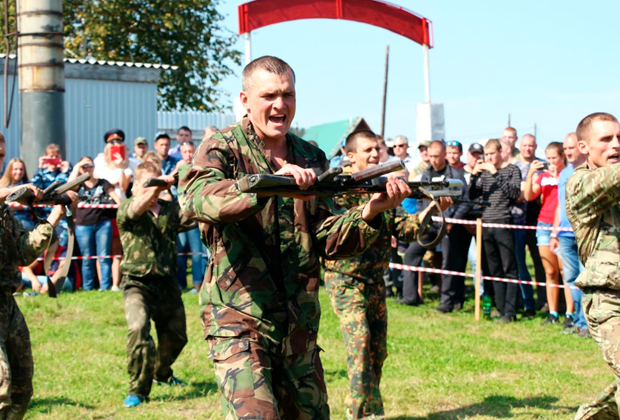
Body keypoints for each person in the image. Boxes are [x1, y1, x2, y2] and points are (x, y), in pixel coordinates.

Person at [178, 55, 411, 419]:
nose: (279, 105)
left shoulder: (309, 155)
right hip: (239, 318)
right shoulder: (222, 148)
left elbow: (328, 239)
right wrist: (271, 186)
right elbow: (198, 201)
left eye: (287, 95)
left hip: (298, 323)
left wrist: (372, 212)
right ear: (245, 100)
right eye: (269, 95)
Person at [324, 130, 450, 419]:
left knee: (377, 352)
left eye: (376, 150)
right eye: (367, 150)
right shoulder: (336, 190)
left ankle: (371, 407)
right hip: (345, 280)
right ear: (350, 155)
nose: (374, 155)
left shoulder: (384, 185)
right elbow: (333, 233)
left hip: (375, 280)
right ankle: (359, 414)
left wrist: (432, 208)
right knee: (360, 346)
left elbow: (405, 229)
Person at [0, 133, 74, 419]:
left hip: (7, 303)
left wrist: (56, 213)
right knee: (2, 387)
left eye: (2, 154)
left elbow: (23, 252)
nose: (2, 159)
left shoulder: (4, 211)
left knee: (21, 386)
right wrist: (14, 189)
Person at [117, 162, 189, 408]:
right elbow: (136, 208)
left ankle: (161, 372)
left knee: (178, 337)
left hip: (167, 283)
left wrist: (186, 175)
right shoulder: (127, 207)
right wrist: (157, 187)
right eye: (148, 184)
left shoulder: (170, 210)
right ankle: (138, 388)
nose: (153, 190)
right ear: (135, 186)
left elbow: (196, 213)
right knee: (138, 328)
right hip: (137, 284)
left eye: (157, 183)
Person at [568, 112, 620, 419]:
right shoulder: (579, 184)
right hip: (609, 301)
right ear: (584, 147)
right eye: (606, 139)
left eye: (619, 138)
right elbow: (609, 181)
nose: (616, 145)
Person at [398, 141, 469, 311]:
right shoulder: (426, 174)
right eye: (430, 156)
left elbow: (465, 202)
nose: (434, 160)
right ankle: (410, 297)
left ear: (444, 155)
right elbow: (421, 200)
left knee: (448, 263)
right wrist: (423, 219)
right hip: (430, 224)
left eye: (436, 156)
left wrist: (452, 220)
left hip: (449, 225)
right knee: (411, 254)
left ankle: (447, 302)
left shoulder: (455, 175)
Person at [470, 139, 521, 322]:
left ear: (500, 152)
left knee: (509, 268)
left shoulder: (512, 170)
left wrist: (496, 173)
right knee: (493, 269)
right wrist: (474, 176)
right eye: (487, 154)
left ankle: (510, 311)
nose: (489, 157)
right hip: (486, 224)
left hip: (503, 223)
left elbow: (514, 194)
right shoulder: (484, 174)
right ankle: (500, 309)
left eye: (492, 153)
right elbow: (472, 196)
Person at [524, 142, 574, 326]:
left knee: (565, 272)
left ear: (563, 157)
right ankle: (552, 313)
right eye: (549, 158)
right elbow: (529, 196)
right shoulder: (543, 176)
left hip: (563, 226)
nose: (551, 161)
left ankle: (570, 313)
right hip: (543, 224)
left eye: (555, 158)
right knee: (550, 271)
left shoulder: (568, 175)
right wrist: (531, 174)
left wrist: (559, 179)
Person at [550, 132, 588, 337]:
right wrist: (554, 232)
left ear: (582, 147)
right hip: (564, 234)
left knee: (586, 279)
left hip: (584, 234)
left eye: (571, 148)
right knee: (571, 278)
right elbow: (559, 205)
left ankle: (588, 323)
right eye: (565, 149)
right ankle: (579, 320)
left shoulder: (591, 170)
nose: (568, 152)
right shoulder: (564, 174)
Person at [69, 157, 121, 291]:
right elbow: (68, 185)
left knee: (103, 256)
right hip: (83, 224)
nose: (87, 168)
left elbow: (117, 199)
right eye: (84, 166)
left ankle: (105, 286)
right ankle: (88, 288)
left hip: (103, 223)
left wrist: (122, 210)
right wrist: (77, 167)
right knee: (87, 258)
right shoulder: (78, 185)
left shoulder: (103, 183)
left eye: (90, 165)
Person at [513, 134, 547, 315]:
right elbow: (513, 193)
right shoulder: (514, 166)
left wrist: (526, 187)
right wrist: (529, 186)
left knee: (541, 263)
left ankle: (544, 301)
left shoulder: (542, 166)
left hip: (538, 220)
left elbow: (543, 192)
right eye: (525, 145)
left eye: (531, 146)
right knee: (519, 264)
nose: (528, 149)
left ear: (535, 146)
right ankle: (523, 301)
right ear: (520, 146)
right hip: (517, 220)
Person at [174, 141, 207, 292]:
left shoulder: (198, 167)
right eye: (185, 152)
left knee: (196, 255)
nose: (188, 154)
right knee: (180, 255)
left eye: (190, 151)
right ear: (181, 153)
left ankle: (197, 285)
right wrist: (177, 170)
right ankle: (181, 284)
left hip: (194, 221)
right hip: (180, 221)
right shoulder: (177, 168)